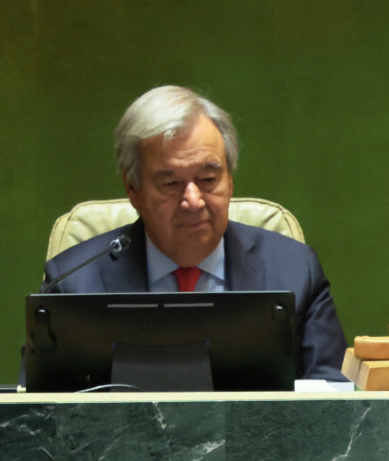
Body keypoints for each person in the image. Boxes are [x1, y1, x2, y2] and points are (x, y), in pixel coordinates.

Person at [42, 85, 348, 381]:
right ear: (132, 189)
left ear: (230, 179)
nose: (193, 201)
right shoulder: (72, 286)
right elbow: (35, 417)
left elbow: (334, 403)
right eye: (171, 184)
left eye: (208, 178)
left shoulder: (296, 273)